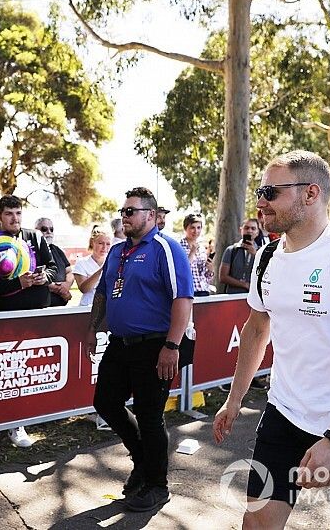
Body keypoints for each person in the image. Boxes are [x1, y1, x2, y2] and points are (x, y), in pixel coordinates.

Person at [213, 150, 330, 529]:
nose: (260, 202)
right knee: (256, 525)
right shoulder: (266, 257)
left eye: (270, 191)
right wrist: (233, 400)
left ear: (311, 193)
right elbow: (255, 329)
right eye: (258, 191)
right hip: (283, 416)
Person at [85, 187, 193, 512]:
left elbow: (182, 299)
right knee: (105, 402)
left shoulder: (166, 248)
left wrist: (172, 346)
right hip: (119, 344)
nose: (124, 216)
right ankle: (142, 462)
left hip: (155, 345)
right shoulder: (117, 251)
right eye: (123, 211)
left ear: (150, 215)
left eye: (131, 211)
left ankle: (157, 485)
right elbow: (102, 292)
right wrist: (92, 328)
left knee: (149, 416)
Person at [0, 194, 57, 448]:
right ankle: (9, 422)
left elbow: (53, 266)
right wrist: (18, 283)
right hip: (5, 317)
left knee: (32, 369)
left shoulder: (34, 237)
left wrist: (43, 276)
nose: (15, 218)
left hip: (36, 316)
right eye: (9, 213)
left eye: (18, 213)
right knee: (9, 371)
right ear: (0, 216)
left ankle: (26, 417)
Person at [35, 217, 74, 307]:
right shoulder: (32, 250)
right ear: (36, 231)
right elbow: (35, 278)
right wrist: (60, 290)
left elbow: (69, 271)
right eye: (44, 229)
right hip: (42, 306)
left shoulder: (57, 250)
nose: (49, 232)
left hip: (61, 306)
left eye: (51, 229)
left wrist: (67, 285)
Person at [219, 218, 260, 294]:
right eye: (246, 228)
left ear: (257, 232)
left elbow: (267, 272)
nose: (249, 231)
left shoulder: (261, 252)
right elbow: (223, 277)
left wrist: (255, 254)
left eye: (253, 228)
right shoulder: (231, 250)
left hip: (254, 296)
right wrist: (245, 285)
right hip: (233, 296)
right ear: (240, 230)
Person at [73, 225, 112, 306]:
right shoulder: (82, 262)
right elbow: (84, 289)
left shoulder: (113, 262)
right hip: (88, 307)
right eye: (100, 243)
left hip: (108, 306)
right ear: (92, 242)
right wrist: (101, 269)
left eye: (108, 244)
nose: (104, 247)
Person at [180, 213, 213, 297]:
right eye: (192, 228)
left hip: (203, 290)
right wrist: (192, 253)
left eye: (199, 228)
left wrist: (210, 270)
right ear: (185, 228)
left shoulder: (201, 248)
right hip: (188, 292)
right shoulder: (178, 247)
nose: (196, 231)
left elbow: (205, 275)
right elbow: (181, 270)